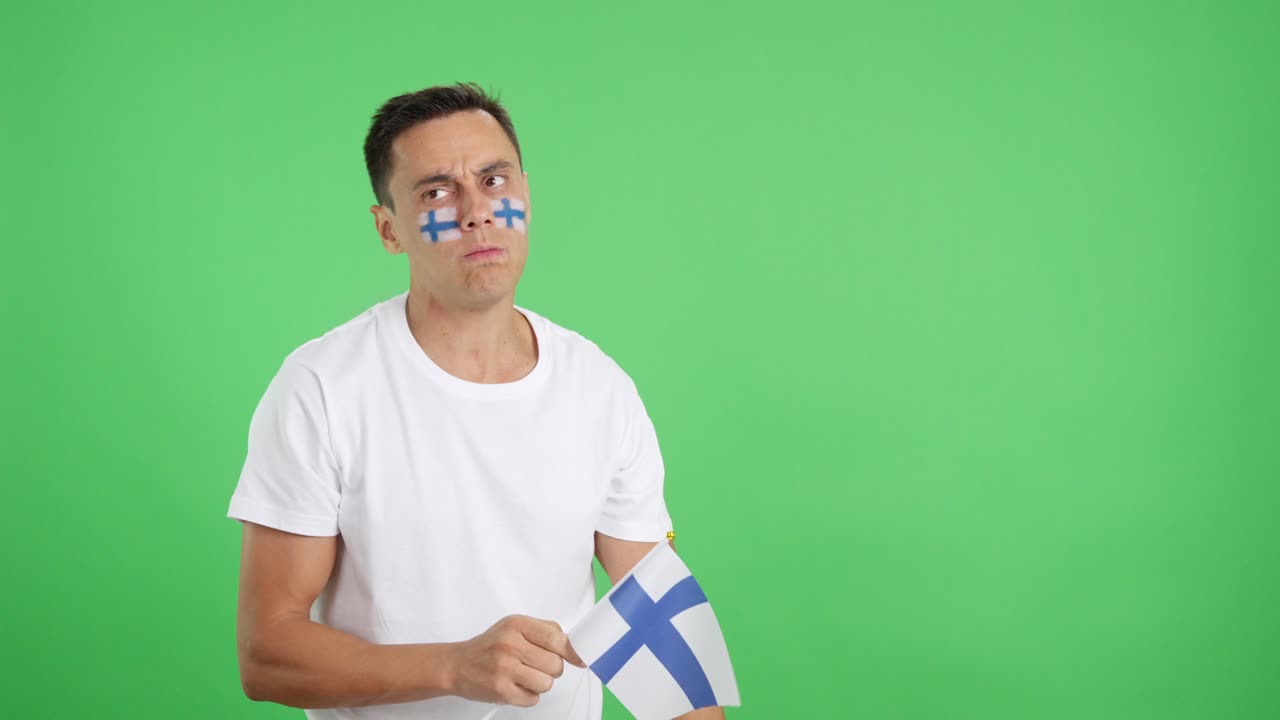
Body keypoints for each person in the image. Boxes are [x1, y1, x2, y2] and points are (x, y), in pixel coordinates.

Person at [226, 82, 724, 720]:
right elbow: (266, 654)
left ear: (525, 195)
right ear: (389, 230)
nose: (475, 212)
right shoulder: (322, 387)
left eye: (494, 181)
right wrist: (453, 667)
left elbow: (661, 638)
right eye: (436, 191)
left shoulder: (600, 389)